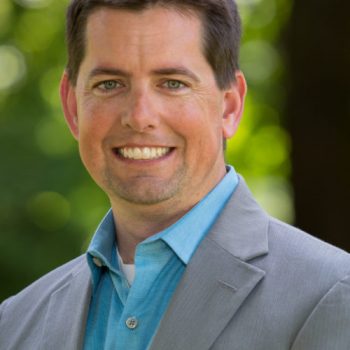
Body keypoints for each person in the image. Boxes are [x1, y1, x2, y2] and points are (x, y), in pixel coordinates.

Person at [1, 0, 350, 349]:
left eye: (172, 83)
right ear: (73, 106)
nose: (139, 116)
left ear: (229, 106)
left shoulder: (332, 294)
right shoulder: (13, 323)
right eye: (109, 84)